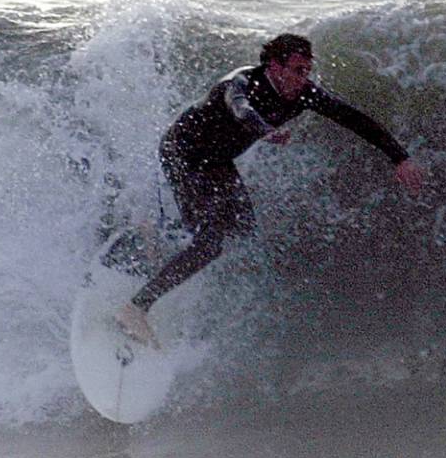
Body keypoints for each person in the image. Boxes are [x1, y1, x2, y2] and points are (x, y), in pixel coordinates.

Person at [115, 33, 426, 347]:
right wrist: (264, 130)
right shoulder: (240, 83)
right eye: (298, 70)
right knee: (209, 244)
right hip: (184, 152)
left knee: (242, 229)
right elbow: (239, 109)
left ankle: (161, 235)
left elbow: (353, 118)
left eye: (308, 70)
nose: (304, 79)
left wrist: (399, 158)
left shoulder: (304, 95)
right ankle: (135, 308)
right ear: (275, 66)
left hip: (217, 161)